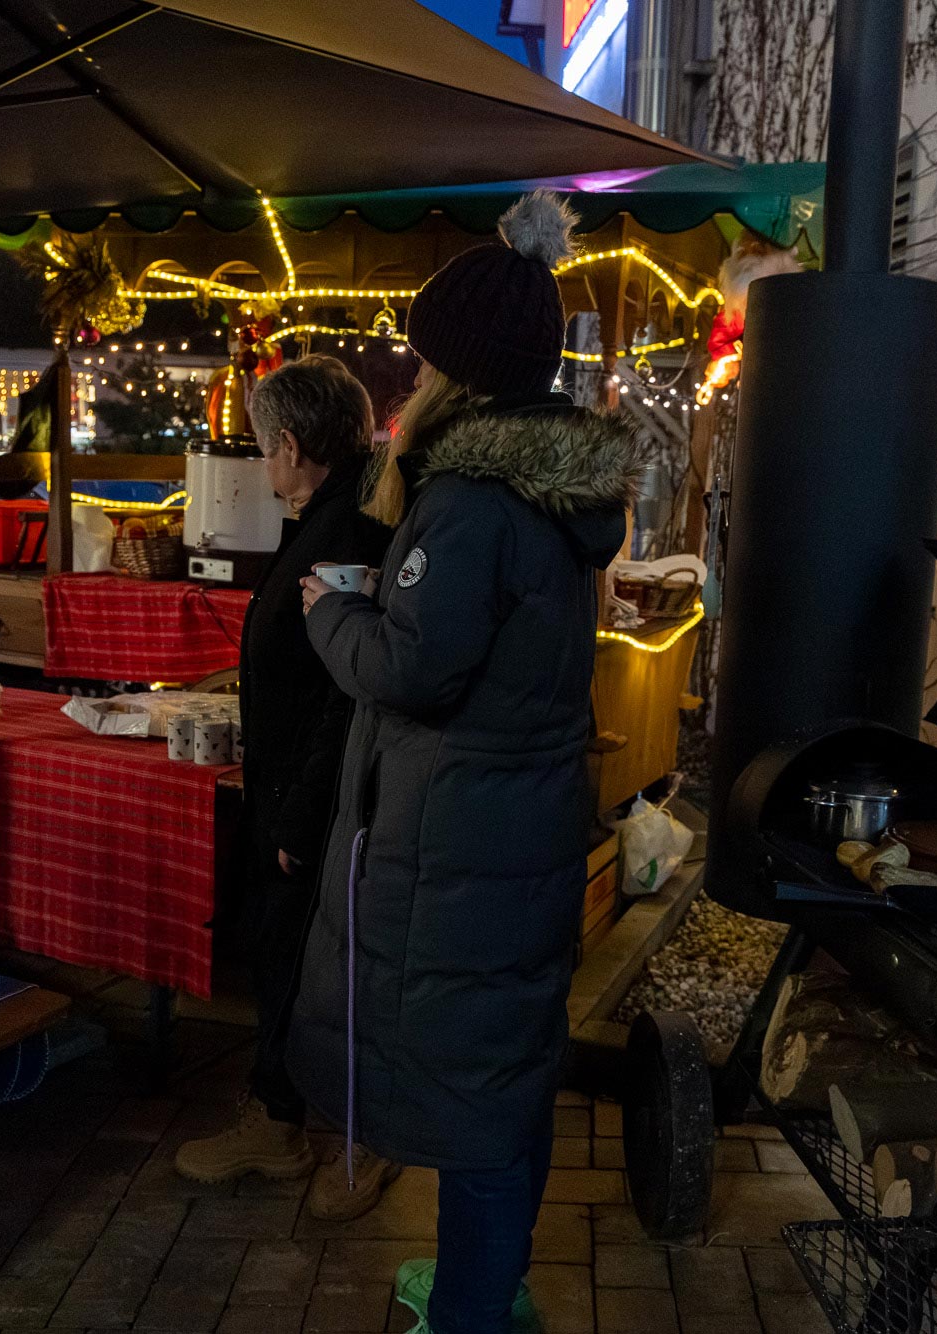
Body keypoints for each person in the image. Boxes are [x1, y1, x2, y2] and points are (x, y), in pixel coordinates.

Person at [292, 192, 637, 1334]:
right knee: (504, 1074)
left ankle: (475, 1307)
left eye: (424, 359)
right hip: (510, 835)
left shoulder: (470, 503)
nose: (407, 377)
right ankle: (484, 1283)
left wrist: (327, 615)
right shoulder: (541, 495)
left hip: (460, 849)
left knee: (477, 1094)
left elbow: (410, 671)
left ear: (460, 376)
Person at [172, 357, 397, 1221]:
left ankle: (301, 1126)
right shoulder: (336, 517)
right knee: (289, 958)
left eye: (268, 450)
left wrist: (297, 815)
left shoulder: (343, 536)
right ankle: (282, 1116)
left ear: (293, 447)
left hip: (311, 802)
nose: (265, 467)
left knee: (304, 962)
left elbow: (342, 698)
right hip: (300, 794)